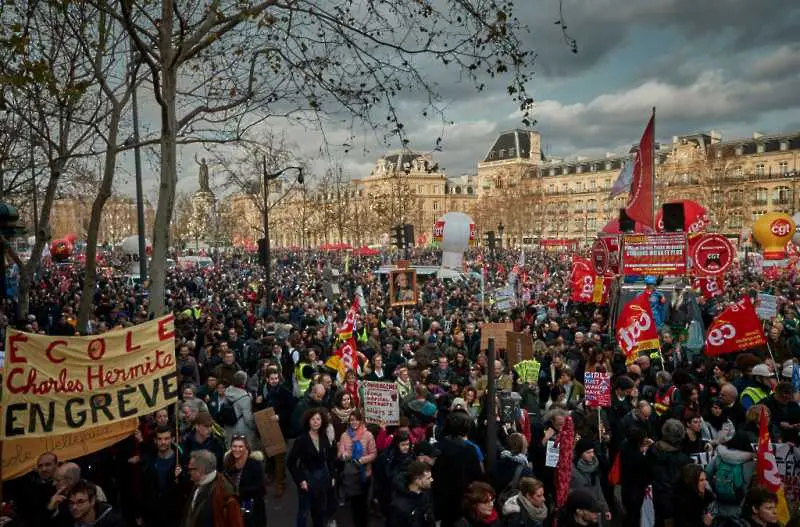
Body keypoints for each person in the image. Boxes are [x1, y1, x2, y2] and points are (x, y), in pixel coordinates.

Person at [287, 409, 337, 527]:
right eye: (313, 419)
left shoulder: (324, 437)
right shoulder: (301, 440)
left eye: (318, 419)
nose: (316, 422)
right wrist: (300, 480)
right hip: (307, 478)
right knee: (304, 511)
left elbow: (329, 459)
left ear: (322, 421)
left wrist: (333, 475)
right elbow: (291, 463)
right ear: (308, 421)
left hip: (321, 479)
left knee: (318, 510)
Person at [433, 412, 484, 527]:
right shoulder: (470, 450)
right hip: (463, 498)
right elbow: (477, 476)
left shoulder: (438, 446)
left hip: (442, 499)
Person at [138, 426, 187, 527]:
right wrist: (140, 513)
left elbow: (187, 489)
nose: (163, 442)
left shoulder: (181, 461)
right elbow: (143, 489)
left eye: (166, 438)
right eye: (160, 439)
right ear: (155, 440)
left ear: (172, 439)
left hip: (174, 516)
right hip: (152, 516)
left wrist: (181, 477)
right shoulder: (148, 461)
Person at [180, 450, 243, 527]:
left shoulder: (225, 494)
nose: (189, 472)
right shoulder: (198, 484)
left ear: (200, 470)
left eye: (190, 469)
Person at [338, 409, 378, 527]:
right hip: (351, 476)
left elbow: (374, 454)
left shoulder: (368, 435)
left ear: (361, 421)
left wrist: (361, 460)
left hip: (365, 474)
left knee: (364, 504)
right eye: (352, 420)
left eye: (356, 420)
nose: (354, 422)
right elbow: (340, 453)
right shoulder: (344, 435)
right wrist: (344, 455)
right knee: (355, 505)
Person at [222, 436, 266, 527]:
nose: (237, 449)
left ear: (247, 448)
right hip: (233, 507)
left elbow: (261, 488)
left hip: (252, 509)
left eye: (240, 446)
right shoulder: (228, 463)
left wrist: (237, 491)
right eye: (234, 446)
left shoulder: (254, 464)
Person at [570, 438, 610, 520]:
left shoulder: (594, 466)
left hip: (595, 510)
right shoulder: (571, 469)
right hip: (580, 513)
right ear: (580, 453)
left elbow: (598, 491)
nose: (592, 455)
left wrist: (605, 509)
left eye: (593, 451)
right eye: (588, 452)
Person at [388, 461, 436, 527]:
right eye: (428, 478)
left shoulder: (426, 492)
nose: (432, 480)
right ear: (417, 480)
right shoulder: (399, 506)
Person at [223, 370, 259, 448]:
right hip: (242, 429)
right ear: (244, 382)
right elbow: (248, 418)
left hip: (228, 428)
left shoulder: (227, 391)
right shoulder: (245, 398)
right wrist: (255, 427)